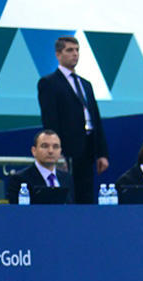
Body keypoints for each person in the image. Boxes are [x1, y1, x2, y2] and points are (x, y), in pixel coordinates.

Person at [37, 36, 109, 204]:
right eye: (69, 50)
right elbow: (50, 119)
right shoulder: (49, 83)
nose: (75, 54)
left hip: (88, 146)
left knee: (87, 195)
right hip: (68, 148)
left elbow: (96, 119)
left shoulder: (86, 84)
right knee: (70, 193)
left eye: (77, 50)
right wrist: (57, 151)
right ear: (58, 54)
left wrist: (102, 153)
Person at [6, 129, 70, 204]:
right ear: (34, 151)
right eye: (45, 146)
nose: (51, 151)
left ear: (60, 151)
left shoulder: (67, 178)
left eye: (55, 146)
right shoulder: (19, 179)